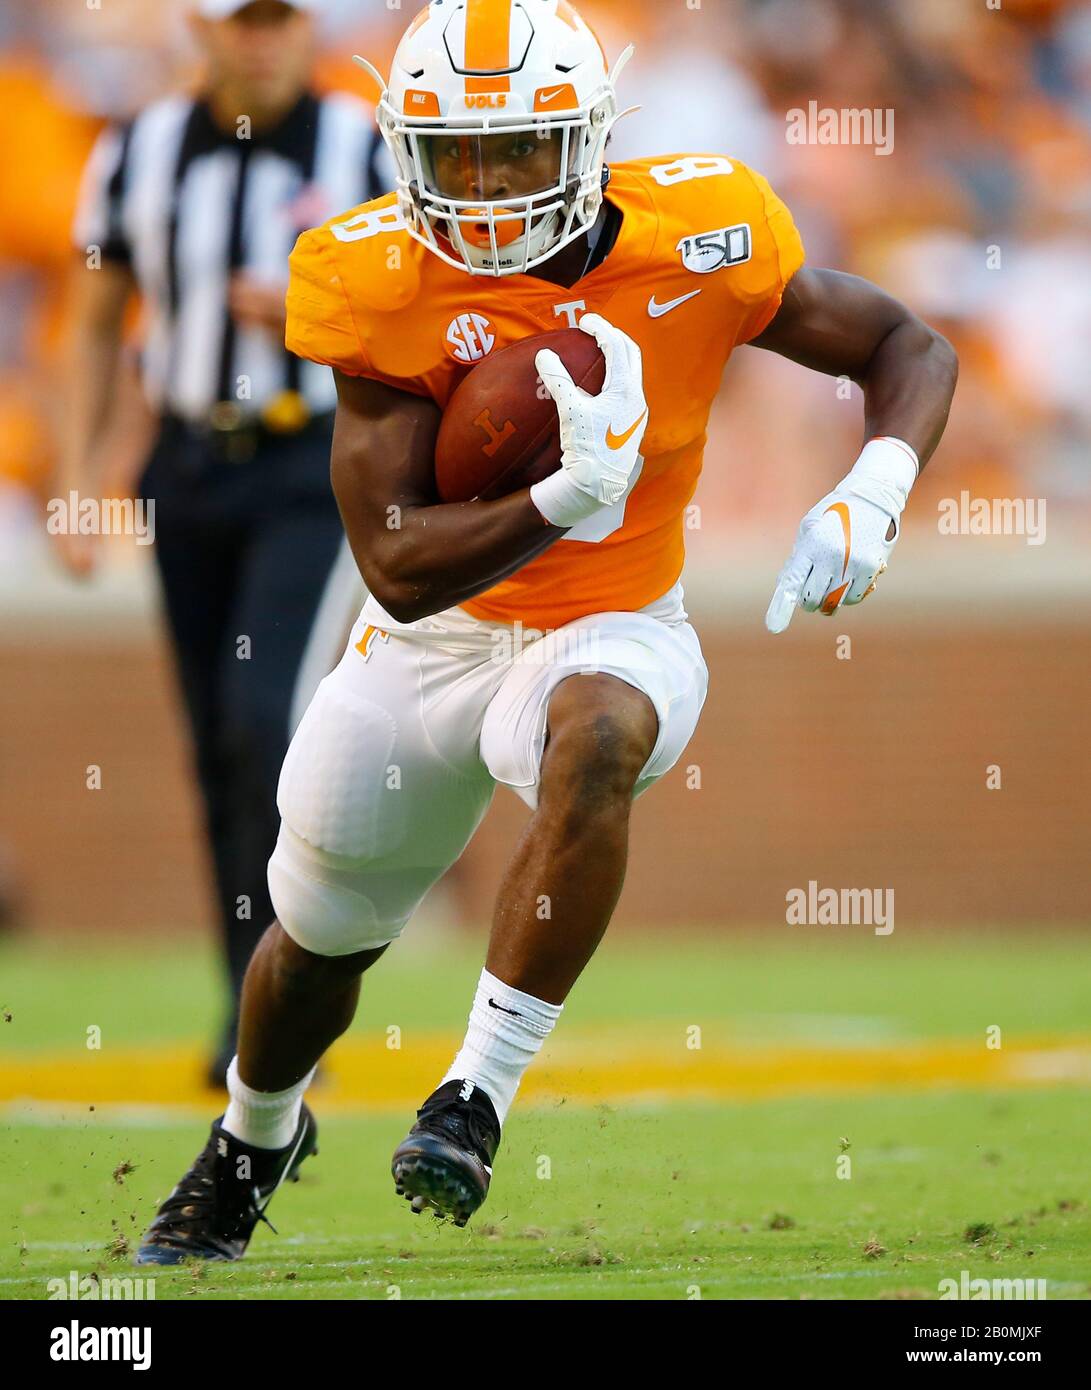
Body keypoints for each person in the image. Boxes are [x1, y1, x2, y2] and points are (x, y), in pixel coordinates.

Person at [133, 0, 957, 1264]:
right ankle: (249, 1140)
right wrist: (558, 497)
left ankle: (472, 1096)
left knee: (601, 733)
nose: (483, 189)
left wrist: (875, 485)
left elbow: (902, 339)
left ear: (586, 139)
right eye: (453, 155)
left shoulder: (703, 231)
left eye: (514, 151)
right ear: (406, 149)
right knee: (316, 939)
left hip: (614, 620)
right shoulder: (373, 275)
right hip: (430, 645)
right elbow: (396, 567)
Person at [61, 0, 390, 1085]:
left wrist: (316, 314)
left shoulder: (363, 147)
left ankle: (294, 1001)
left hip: (310, 468)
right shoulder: (138, 148)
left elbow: (425, 315)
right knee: (214, 744)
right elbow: (100, 313)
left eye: (280, 19)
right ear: (202, 30)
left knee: (264, 726)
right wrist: (78, 473)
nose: (263, 39)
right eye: (244, 20)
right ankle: (243, 1005)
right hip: (190, 467)